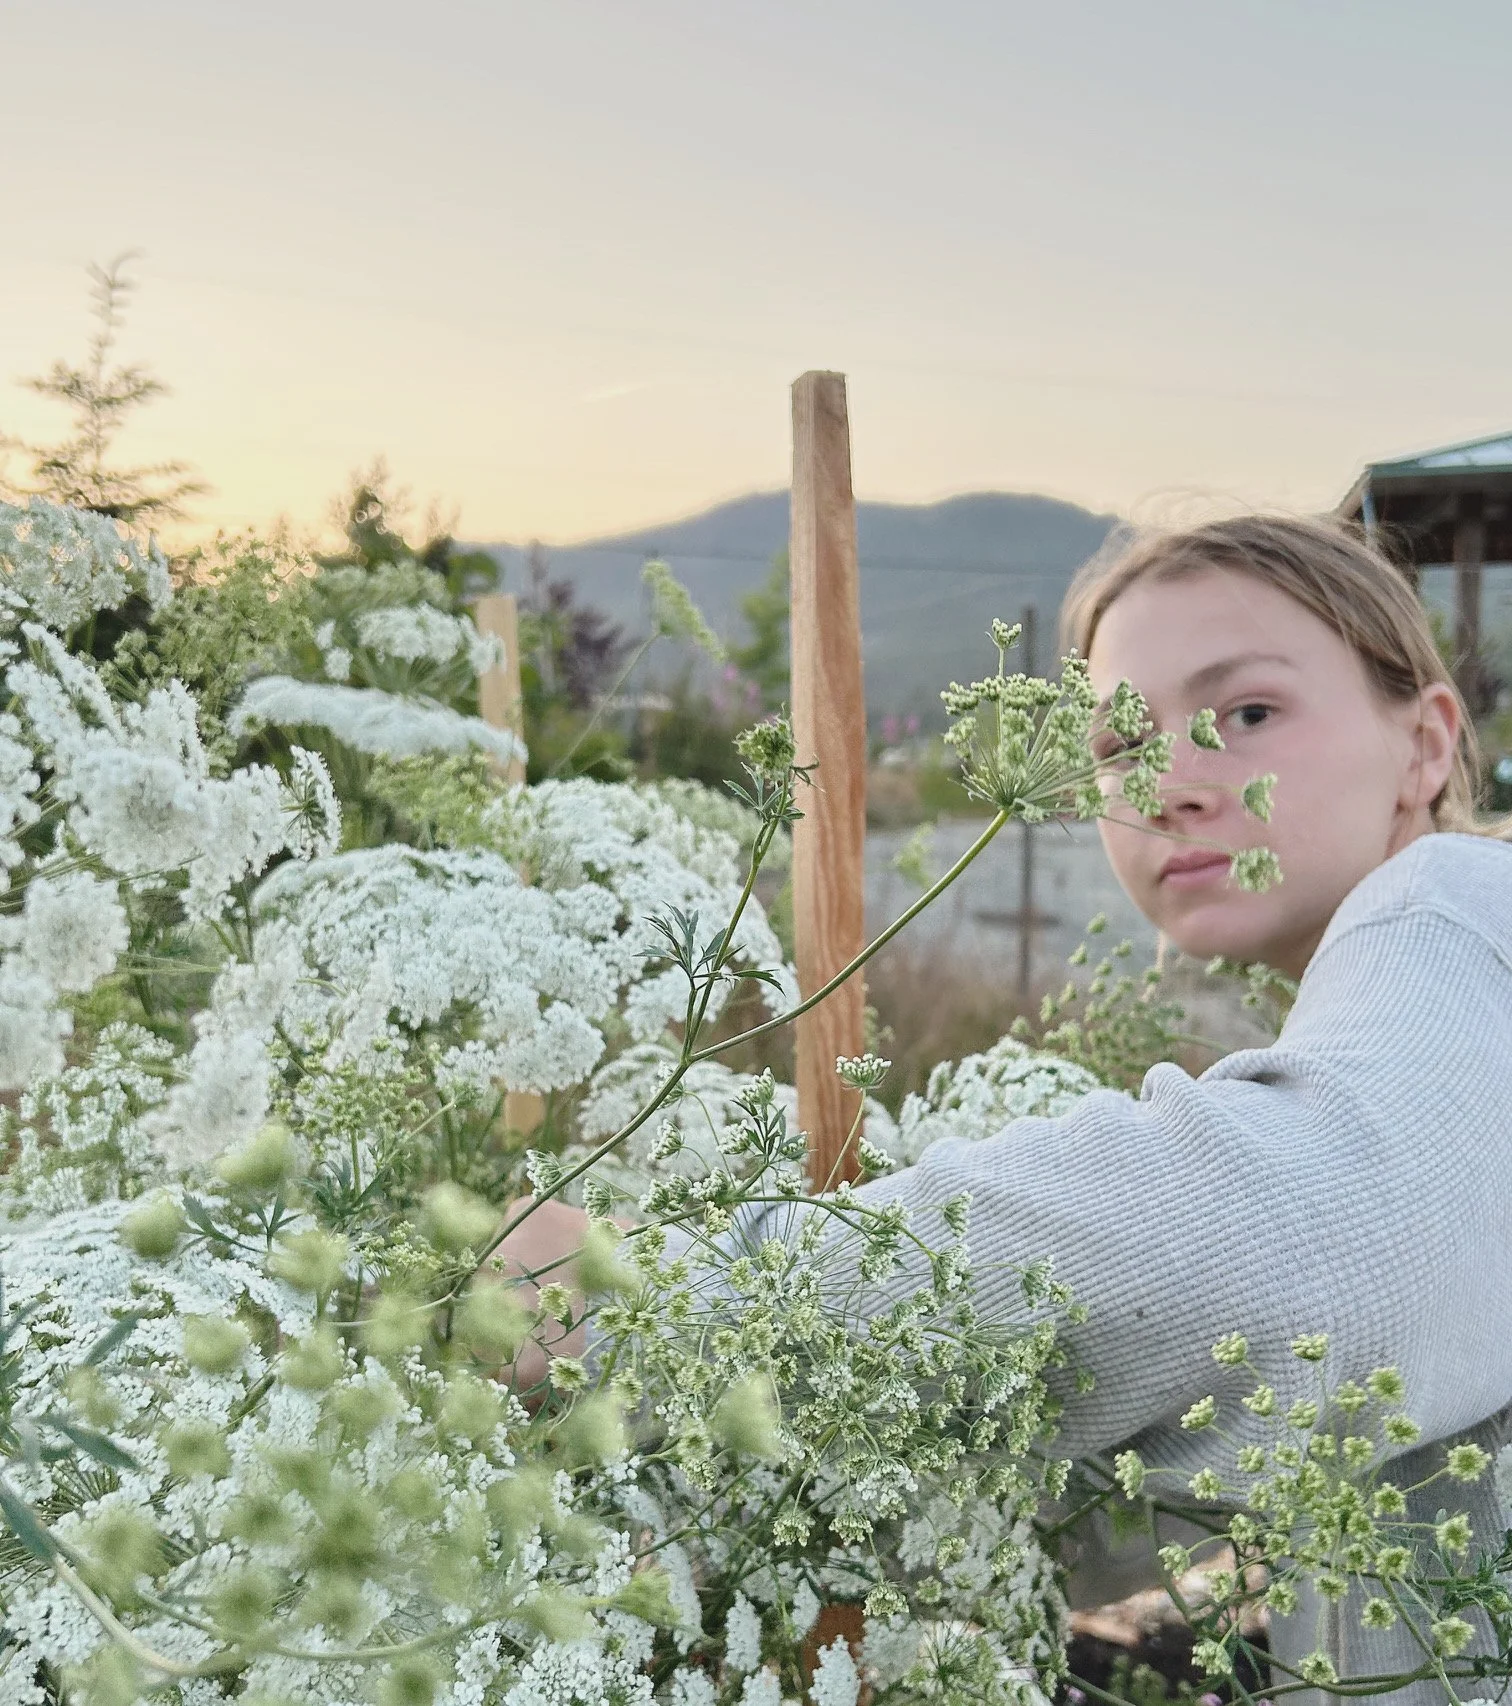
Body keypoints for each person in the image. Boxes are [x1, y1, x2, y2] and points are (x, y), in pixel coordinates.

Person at [499, 514, 1512, 1703]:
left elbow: (1305, 1258)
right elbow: (1157, 1475)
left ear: (1427, 741)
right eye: (1120, 740)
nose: (1171, 783)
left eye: (1246, 714)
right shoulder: (1423, 1032)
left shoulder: (1460, 908)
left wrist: (663, 1305)